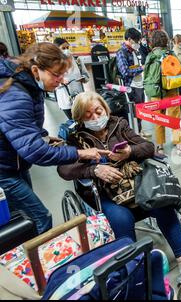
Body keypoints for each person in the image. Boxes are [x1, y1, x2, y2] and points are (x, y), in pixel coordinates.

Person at [57, 92, 181, 277]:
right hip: (105, 192)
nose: (96, 118)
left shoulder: (119, 124)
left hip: (134, 183)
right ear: (80, 117)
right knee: (122, 219)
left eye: (98, 111)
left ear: (105, 109)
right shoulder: (75, 137)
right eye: (88, 115)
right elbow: (64, 170)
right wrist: (95, 170)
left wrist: (129, 151)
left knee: (163, 205)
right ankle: (135, 267)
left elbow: (148, 147)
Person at [0, 42, 109, 234]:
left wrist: (44, 136)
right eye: (55, 74)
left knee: (20, 217)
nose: (61, 80)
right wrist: (80, 153)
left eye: (63, 74)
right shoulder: (16, 93)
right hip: (4, 171)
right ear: (36, 70)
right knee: (39, 218)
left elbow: (24, 127)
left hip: (14, 163)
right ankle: (36, 260)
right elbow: (34, 151)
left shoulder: (29, 87)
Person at [144, 30, 181, 155]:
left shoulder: (150, 56)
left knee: (158, 119)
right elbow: (180, 71)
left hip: (156, 92)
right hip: (171, 90)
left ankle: (160, 145)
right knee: (175, 117)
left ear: (152, 41)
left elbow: (147, 76)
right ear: (166, 41)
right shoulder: (170, 54)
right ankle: (179, 143)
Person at [116, 28, 147, 136]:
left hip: (139, 84)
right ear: (129, 39)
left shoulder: (134, 51)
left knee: (141, 110)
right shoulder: (121, 53)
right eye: (137, 41)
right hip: (131, 86)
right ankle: (135, 134)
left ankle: (140, 130)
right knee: (134, 112)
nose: (138, 43)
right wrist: (142, 68)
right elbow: (125, 72)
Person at [53, 38, 90, 120]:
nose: (66, 50)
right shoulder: (53, 63)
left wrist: (83, 78)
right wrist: (61, 82)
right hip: (66, 100)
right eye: (63, 48)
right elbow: (50, 83)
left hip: (80, 98)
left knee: (84, 122)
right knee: (73, 123)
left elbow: (86, 76)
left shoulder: (77, 60)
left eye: (67, 48)